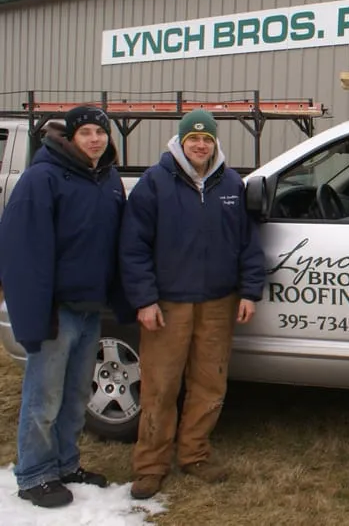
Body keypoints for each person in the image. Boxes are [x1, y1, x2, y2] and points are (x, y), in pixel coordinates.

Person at [120, 109, 265, 500]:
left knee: (209, 383)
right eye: (193, 139)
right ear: (181, 142)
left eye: (207, 139)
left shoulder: (232, 183)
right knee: (160, 386)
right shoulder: (154, 183)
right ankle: (150, 465)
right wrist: (146, 300)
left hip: (218, 302)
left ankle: (195, 454)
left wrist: (250, 291)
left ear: (215, 142)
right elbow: (133, 248)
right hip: (169, 304)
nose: (200, 145)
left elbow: (248, 245)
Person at [0, 106, 125, 508]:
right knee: (44, 397)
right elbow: (22, 252)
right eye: (85, 132)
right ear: (70, 137)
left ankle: (66, 464)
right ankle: (35, 473)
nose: (94, 139)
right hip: (56, 309)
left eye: (100, 132)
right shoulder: (42, 179)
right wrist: (35, 312)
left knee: (74, 397)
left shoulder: (107, 181)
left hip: (90, 308)